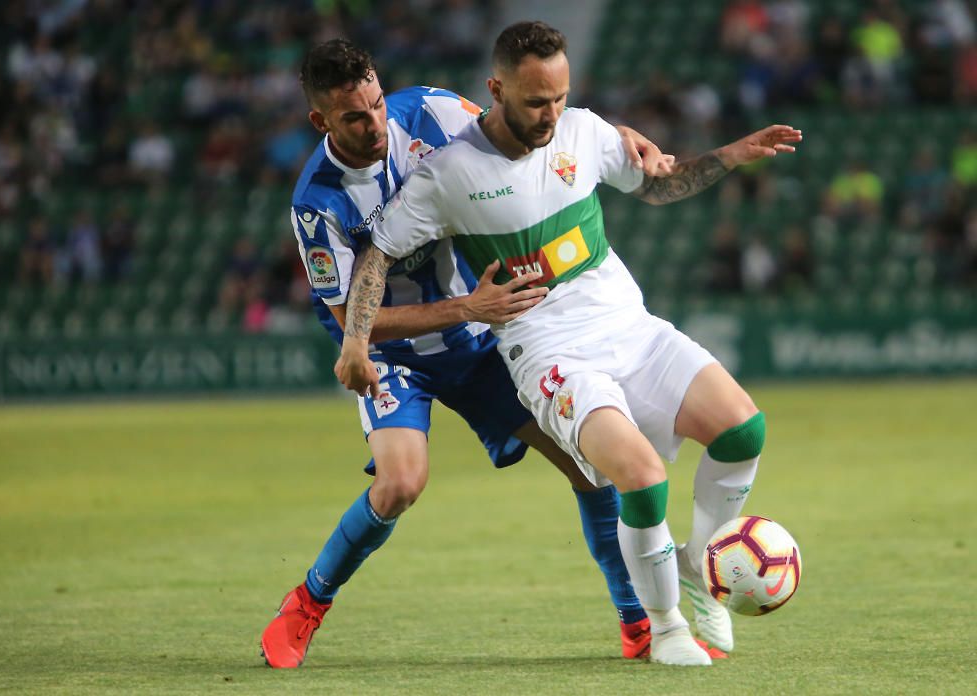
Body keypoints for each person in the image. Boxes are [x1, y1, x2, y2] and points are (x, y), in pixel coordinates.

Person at [336, 21, 801, 666]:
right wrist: (356, 338)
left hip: (628, 324)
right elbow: (376, 257)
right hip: (548, 351)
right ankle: (665, 628)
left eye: (559, 97)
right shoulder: (447, 175)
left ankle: (698, 561)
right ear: (495, 89)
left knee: (743, 429)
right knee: (641, 480)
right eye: (535, 102)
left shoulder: (583, 130)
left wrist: (728, 155)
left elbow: (657, 184)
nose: (550, 114)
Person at [259, 38, 718, 669]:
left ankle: (637, 621)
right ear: (321, 122)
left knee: (590, 466)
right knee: (400, 483)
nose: (374, 125)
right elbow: (352, 324)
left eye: (375, 104)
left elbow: (524, 136)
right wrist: (457, 312)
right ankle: (310, 600)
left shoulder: (433, 113)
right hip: (392, 350)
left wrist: (621, 137)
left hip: (480, 335)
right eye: (354, 118)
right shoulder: (319, 203)